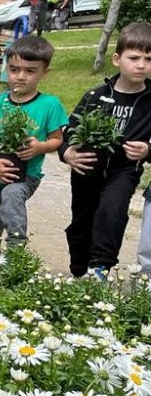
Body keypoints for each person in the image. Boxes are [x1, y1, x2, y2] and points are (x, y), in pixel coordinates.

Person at [62, 23, 151, 278]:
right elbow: (71, 130)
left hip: (124, 170)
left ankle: (99, 268)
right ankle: (80, 272)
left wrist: (147, 149)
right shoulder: (95, 95)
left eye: (148, 59)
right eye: (134, 58)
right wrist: (67, 153)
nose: (141, 65)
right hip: (86, 168)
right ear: (117, 59)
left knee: (112, 210)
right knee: (81, 224)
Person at [0, 36, 68, 251]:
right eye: (14, 69)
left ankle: (16, 248)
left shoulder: (49, 104)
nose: (20, 76)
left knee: (12, 194)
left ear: (44, 72)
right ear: (6, 69)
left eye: (30, 71)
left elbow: (57, 140)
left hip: (26, 174)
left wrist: (40, 147)